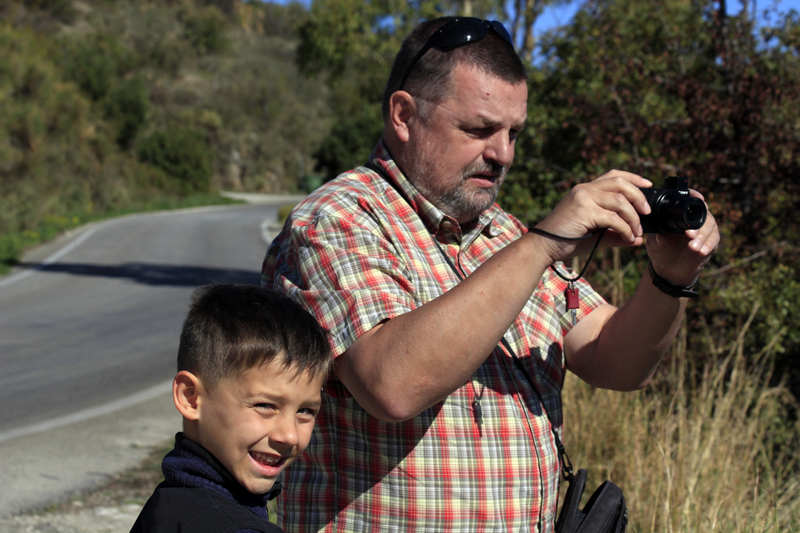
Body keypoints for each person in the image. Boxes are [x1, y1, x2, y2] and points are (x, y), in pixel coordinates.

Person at [262, 16, 719, 533]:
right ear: (404, 115)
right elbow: (393, 383)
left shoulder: (506, 237)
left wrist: (670, 280)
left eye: (513, 133)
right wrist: (544, 244)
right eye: (479, 130)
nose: (502, 154)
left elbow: (615, 362)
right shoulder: (339, 219)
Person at [131, 284, 332, 533]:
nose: (289, 436)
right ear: (190, 397)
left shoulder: (168, 504)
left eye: (306, 411)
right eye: (265, 406)